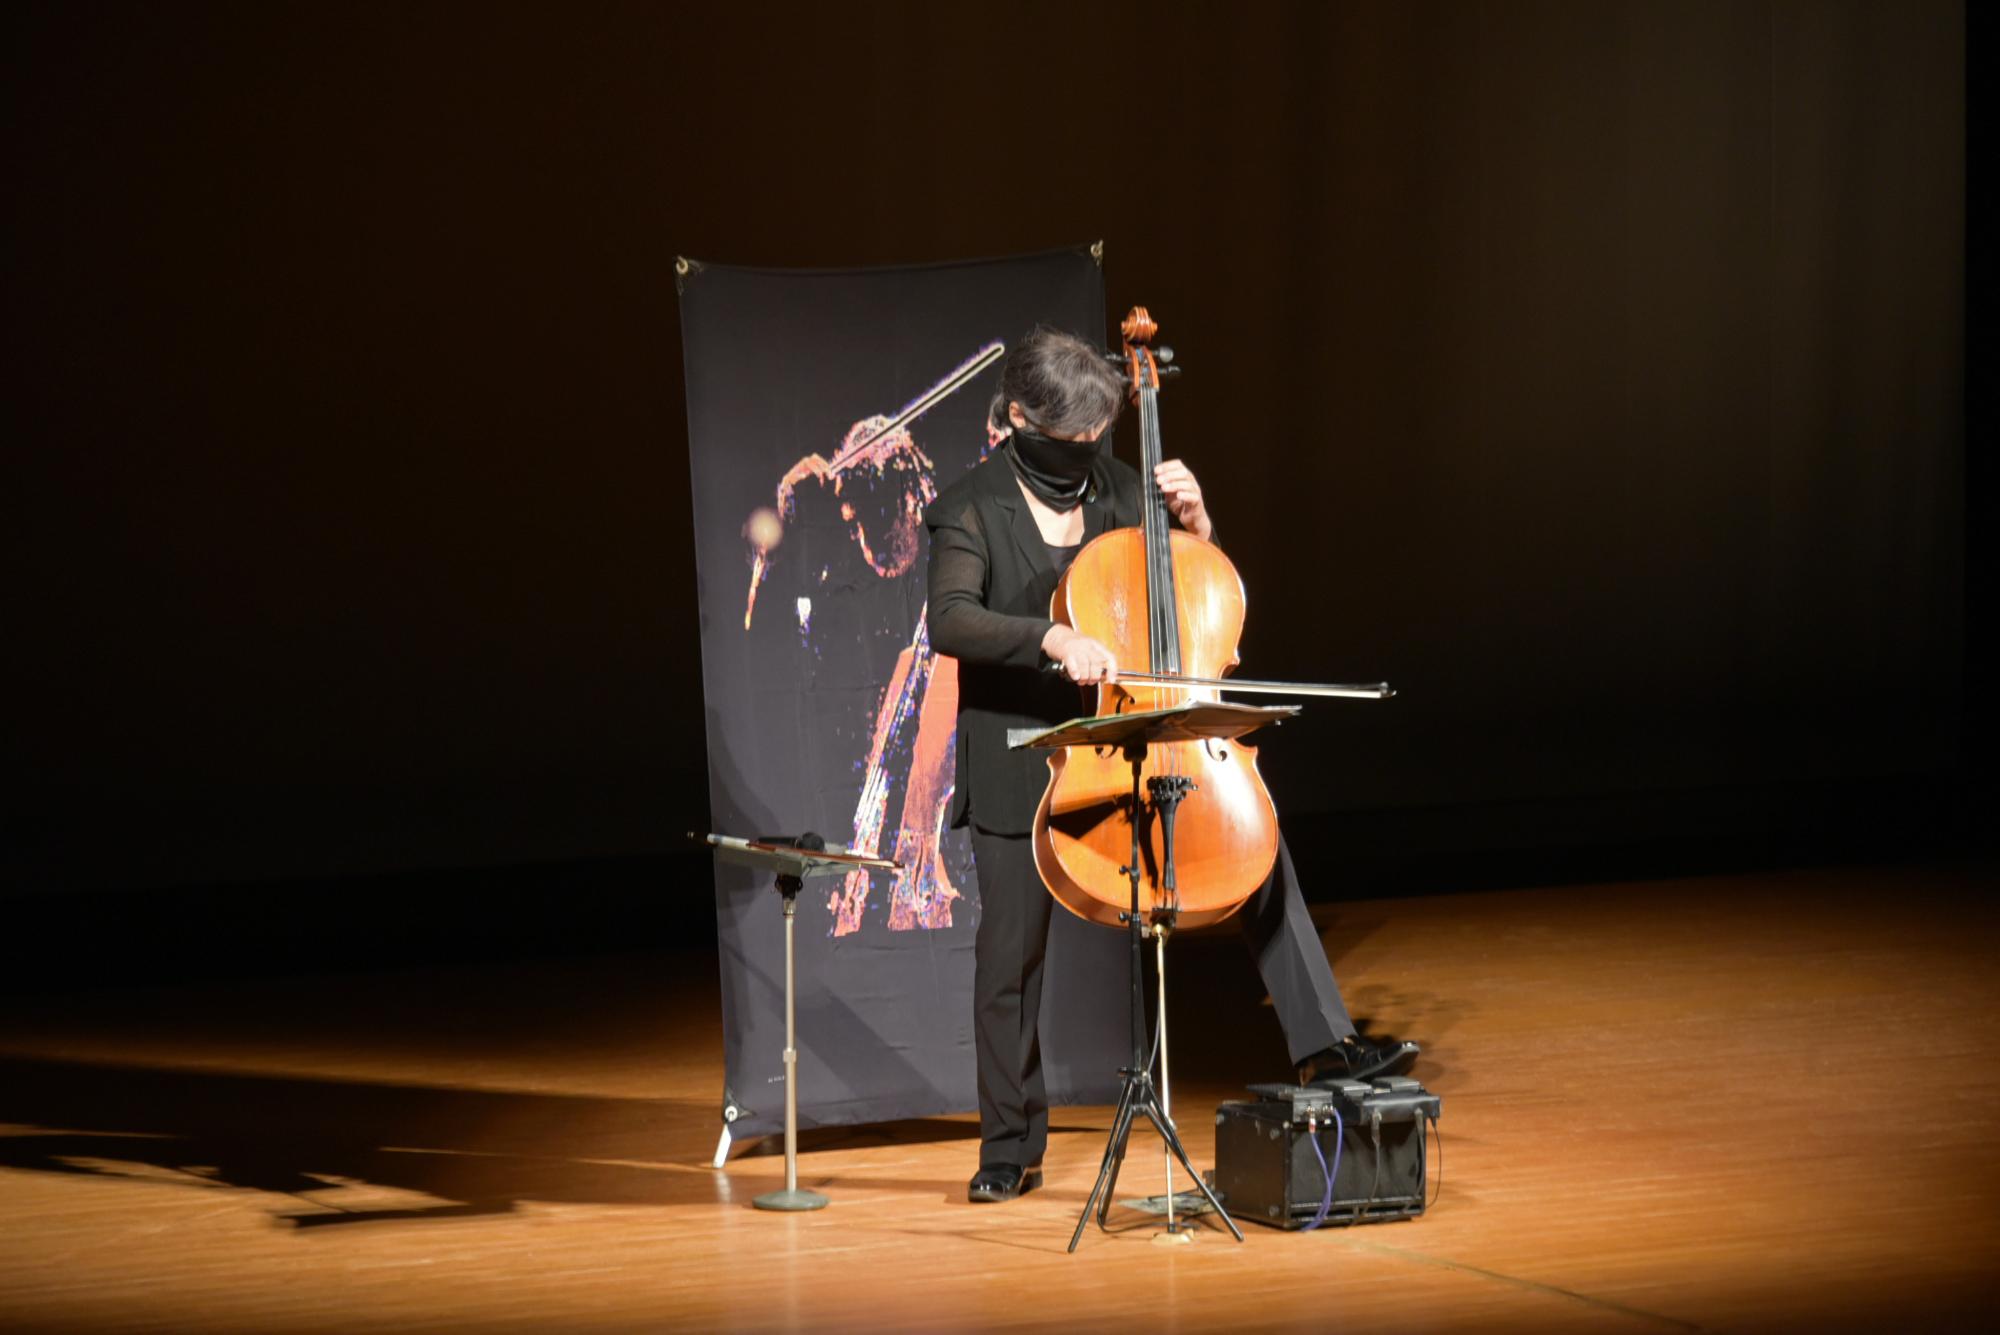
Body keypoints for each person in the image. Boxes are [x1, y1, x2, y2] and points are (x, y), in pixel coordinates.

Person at [924, 326, 1417, 1203]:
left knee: (1254, 849)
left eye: (1094, 437)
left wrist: (1198, 525)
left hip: (1131, 741)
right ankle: (1009, 1143)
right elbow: (953, 620)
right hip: (1023, 758)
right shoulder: (970, 505)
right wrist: (1050, 635)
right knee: (1009, 962)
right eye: (1067, 437)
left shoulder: (1125, 489)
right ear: (1018, 417)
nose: (1085, 453)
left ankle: (1324, 1044)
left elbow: (1187, 596)